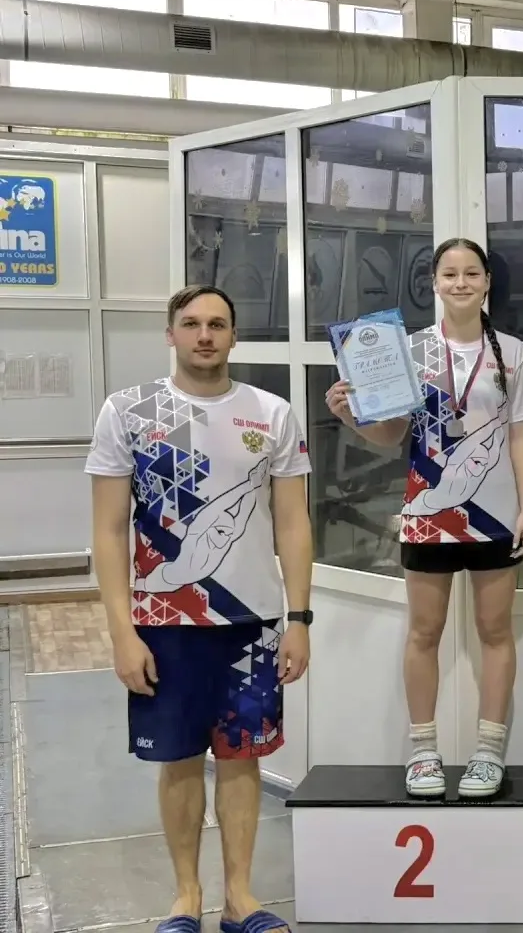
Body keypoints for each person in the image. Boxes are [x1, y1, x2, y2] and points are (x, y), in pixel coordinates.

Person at [87, 284, 312, 933]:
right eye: (191, 324)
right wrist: (122, 632)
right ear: (171, 334)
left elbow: (293, 523)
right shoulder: (129, 411)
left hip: (250, 622)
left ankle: (239, 899)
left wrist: (299, 619)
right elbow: (108, 530)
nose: (205, 335)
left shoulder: (272, 414)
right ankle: (185, 898)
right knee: (179, 758)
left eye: (217, 324)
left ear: (234, 335)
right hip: (164, 623)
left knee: (242, 757)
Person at [325, 238, 523, 799]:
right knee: (424, 632)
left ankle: (488, 753)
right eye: (450, 274)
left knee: (495, 632)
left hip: (495, 515)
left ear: (487, 282)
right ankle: (423, 752)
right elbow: (392, 434)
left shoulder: (513, 353)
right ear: (434, 283)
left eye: (472, 273)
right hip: (428, 512)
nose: (461, 283)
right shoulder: (408, 350)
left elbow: (520, 433)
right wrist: (351, 416)